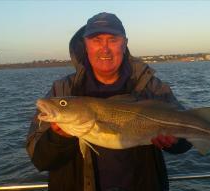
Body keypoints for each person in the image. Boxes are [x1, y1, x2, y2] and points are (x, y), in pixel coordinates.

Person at [26, 12, 192, 191]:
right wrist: (58, 137)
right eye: (96, 40)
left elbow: (188, 137)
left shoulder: (150, 87)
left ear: (125, 44)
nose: (104, 49)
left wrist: (176, 142)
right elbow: (40, 159)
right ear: (85, 45)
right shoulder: (62, 90)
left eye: (112, 40)